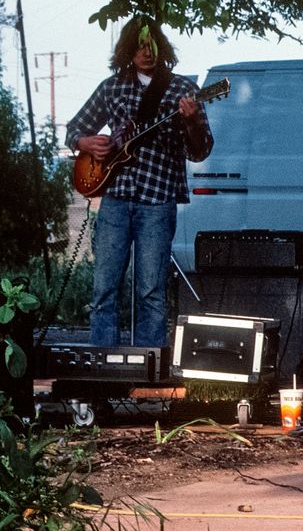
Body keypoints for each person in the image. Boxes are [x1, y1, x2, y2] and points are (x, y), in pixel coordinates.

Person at [67, 17, 213, 348]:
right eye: (139, 46)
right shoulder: (112, 87)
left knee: (151, 290)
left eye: (151, 45)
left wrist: (192, 123)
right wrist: (86, 143)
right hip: (116, 197)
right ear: (127, 51)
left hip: (158, 198)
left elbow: (200, 150)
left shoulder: (182, 90)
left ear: (162, 48)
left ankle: (149, 365)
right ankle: (103, 364)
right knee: (104, 288)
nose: (146, 53)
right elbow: (74, 129)